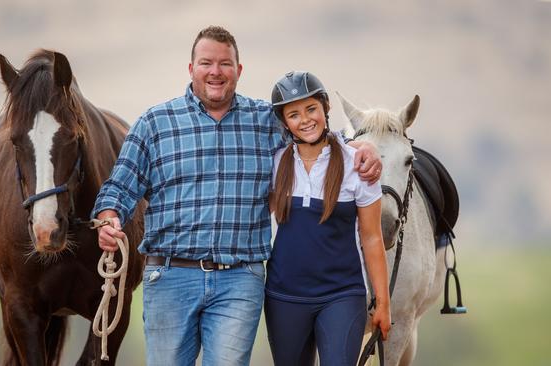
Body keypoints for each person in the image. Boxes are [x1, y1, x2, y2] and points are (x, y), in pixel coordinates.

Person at [92, 26, 382, 366]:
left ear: (238, 71)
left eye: (225, 63)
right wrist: (109, 217)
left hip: (239, 280)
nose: (216, 71)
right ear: (191, 69)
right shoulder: (156, 123)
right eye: (206, 63)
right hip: (170, 278)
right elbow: (120, 186)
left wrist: (362, 146)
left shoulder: (265, 121)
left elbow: (312, 134)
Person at [264, 71, 391, 366]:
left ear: (326, 108)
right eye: (294, 114)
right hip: (284, 297)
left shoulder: (357, 165)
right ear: (285, 122)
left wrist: (383, 303)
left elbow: (372, 238)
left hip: (342, 295)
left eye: (311, 109)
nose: (305, 119)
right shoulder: (275, 163)